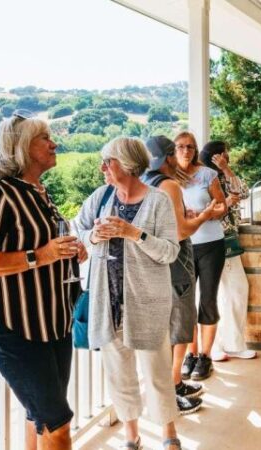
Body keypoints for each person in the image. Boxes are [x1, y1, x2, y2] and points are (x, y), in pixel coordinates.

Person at [0, 110, 82, 450]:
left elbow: (49, 246)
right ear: (20, 148)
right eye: (44, 138)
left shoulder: (39, 193)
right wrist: (40, 255)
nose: (54, 143)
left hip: (54, 325)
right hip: (14, 329)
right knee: (58, 423)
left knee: (41, 417)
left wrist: (71, 252)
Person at [75, 137, 183, 450]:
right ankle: (131, 436)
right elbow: (79, 230)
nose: (102, 168)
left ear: (126, 164)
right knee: (119, 375)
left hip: (147, 302)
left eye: (107, 162)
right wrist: (93, 234)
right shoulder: (100, 197)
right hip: (107, 303)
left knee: (157, 373)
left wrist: (133, 233)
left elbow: (170, 252)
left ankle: (168, 433)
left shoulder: (158, 201)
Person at [143, 135, 221, 414]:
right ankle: (171, 390)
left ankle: (173, 384)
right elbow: (181, 231)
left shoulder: (143, 182)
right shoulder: (170, 184)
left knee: (168, 325)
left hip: (152, 263)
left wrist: (185, 215)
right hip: (176, 262)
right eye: (177, 150)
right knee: (180, 325)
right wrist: (200, 217)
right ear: (169, 157)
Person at [174, 131, 228, 381]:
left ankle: (205, 356)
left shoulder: (207, 174)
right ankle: (191, 354)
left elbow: (222, 205)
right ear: (174, 150)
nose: (186, 151)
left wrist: (205, 213)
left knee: (207, 299)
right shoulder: (168, 177)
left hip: (210, 244)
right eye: (181, 146)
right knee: (185, 303)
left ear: (196, 150)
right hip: (182, 245)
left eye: (191, 147)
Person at [199, 140, 257, 361]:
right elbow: (200, 210)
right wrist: (225, 204)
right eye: (224, 154)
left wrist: (226, 169)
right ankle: (214, 347)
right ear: (215, 155)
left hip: (229, 242)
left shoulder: (223, 176)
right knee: (212, 295)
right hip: (210, 241)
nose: (228, 156)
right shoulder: (202, 178)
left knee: (235, 291)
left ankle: (231, 343)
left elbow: (243, 192)